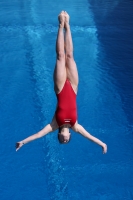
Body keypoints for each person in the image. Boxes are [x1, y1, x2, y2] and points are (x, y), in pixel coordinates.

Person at [16, 11, 107, 154]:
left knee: (60, 57)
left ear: (59, 135)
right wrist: (102, 144)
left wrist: (23, 142)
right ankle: (68, 26)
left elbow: (39, 134)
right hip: (73, 86)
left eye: (61, 140)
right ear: (70, 135)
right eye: (67, 140)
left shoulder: (54, 125)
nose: (64, 140)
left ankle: (60, 25)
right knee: (70, 56)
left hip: (59, 88)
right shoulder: (75, 126)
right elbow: (89, 136)